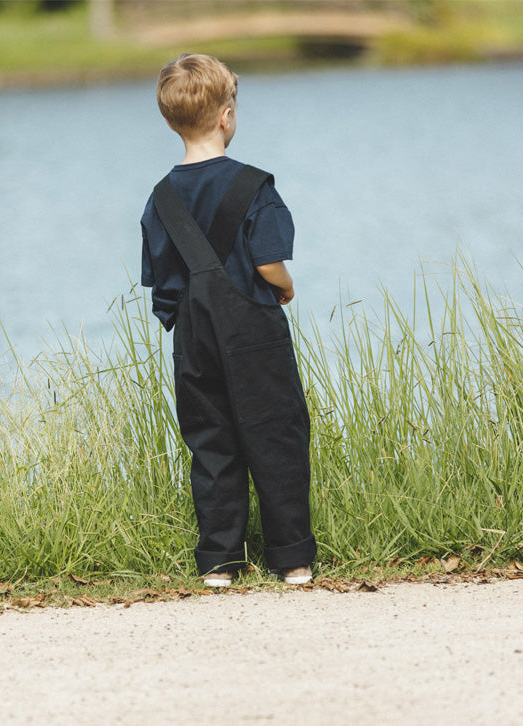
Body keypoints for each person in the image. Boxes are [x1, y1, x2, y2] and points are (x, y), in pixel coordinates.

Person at [140, 53, 316, 587]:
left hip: (194, 336)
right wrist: (285, 288)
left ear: (172, 121)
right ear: (227, 117)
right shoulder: (254, 186)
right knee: (275, 433)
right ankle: (292, 559)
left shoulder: (161, 198)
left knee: (210, 439)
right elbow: (268, 263)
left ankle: (219, 562)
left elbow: (161, 282)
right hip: (253, 331)